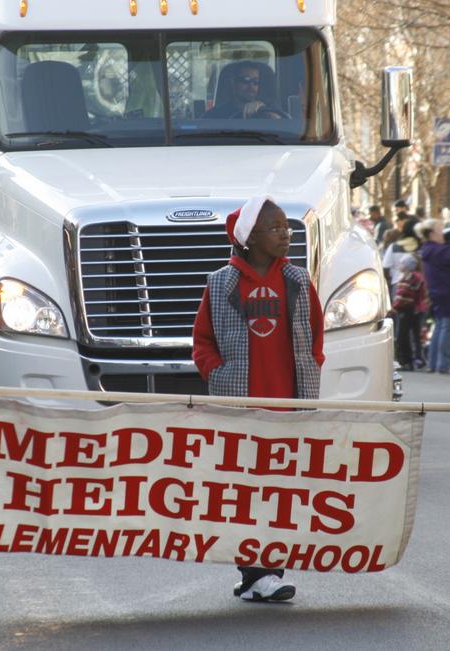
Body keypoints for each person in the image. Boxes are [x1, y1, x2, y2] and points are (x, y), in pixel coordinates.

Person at [192, 195, 324, 602]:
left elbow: (317, 336)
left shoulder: (299, 281)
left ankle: (259, 578)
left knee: (280, 494)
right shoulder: (221, 283)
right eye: (274, 227)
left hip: (289, 407)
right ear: (248, 237)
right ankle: (259, 574)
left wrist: (312, 367)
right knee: (245, 492)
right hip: (242, 411)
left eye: (286, 226)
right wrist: (219, 373)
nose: (285, 233)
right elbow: (202, 341)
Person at [417, 218, 450, 373]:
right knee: (447, 328)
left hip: (437, 292)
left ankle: (433, 363)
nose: (444, 233)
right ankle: (443, 364)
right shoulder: (438, 250)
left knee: (439, 327)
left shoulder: (428, 249)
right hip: (449, 292)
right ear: (431, 233)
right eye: (440, 229)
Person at [203, 62, 285, 120]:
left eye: (255, 82)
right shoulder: (213, 116)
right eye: (245, 80)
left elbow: (283, 129)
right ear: (233, 83)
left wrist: (265, 111)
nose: (251, 86)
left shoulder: (269, 111)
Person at [392, 254, 427, 370]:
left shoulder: (413, 278)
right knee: (406, 336)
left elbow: (404, 296)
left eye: (402, 263)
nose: (400, 265)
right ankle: (409, 360)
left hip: (409, 310)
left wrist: (393, 308)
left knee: (403, 336)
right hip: (406, 310)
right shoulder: (405, 278)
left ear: (408, 266)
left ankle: (407, 361)